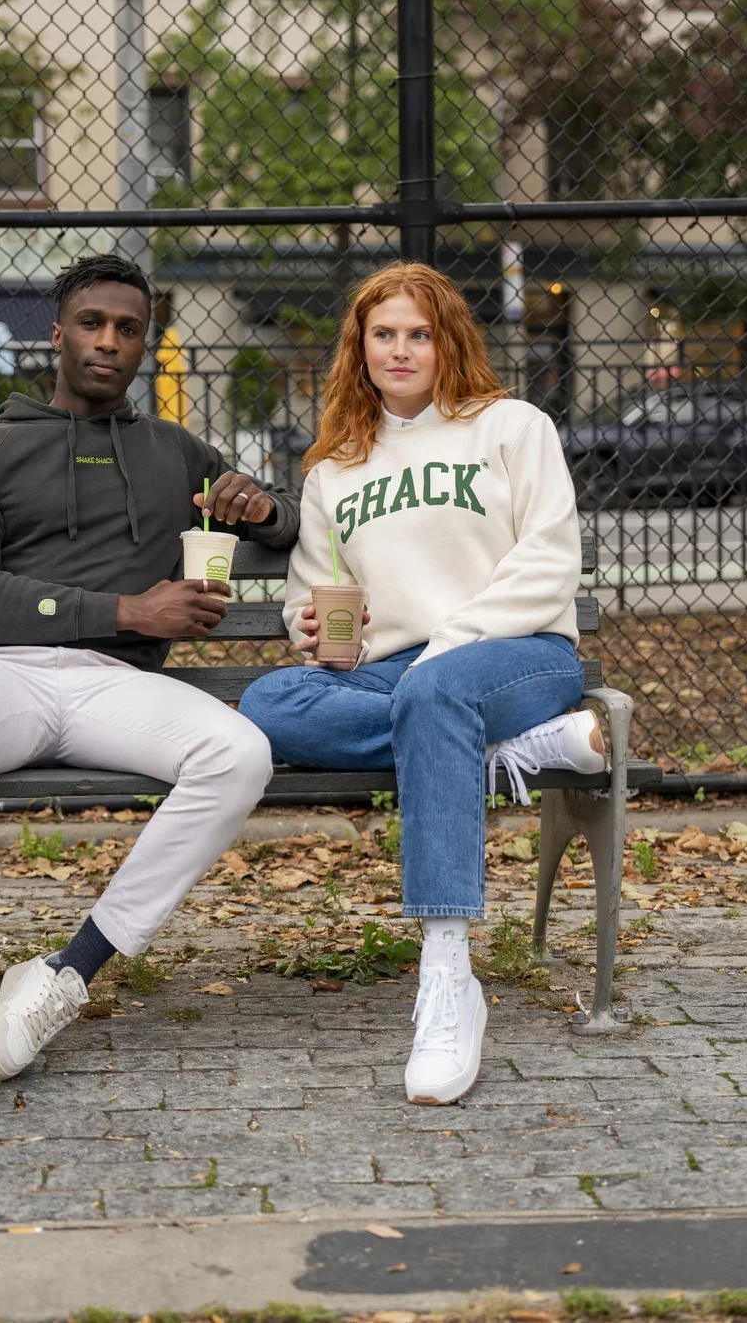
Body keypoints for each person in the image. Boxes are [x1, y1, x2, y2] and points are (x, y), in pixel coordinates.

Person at [0, 254, 299, 1176]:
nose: (109, 342)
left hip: (116, 687)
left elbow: (284, 523)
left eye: (128, 328)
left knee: (239, 752)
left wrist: (259, 506)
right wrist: (127, 611)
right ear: (56, 333)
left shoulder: (173, 450)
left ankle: (66, 975)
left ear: (146, 342)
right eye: (92, 323)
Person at [240, 262, 605, 1108]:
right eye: (383, 334)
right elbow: (311, 589)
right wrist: (306, 624)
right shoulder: (336, 467)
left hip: (518, 651)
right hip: (399, 673)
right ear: (358, 348)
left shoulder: (511, 426)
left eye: (419, 333)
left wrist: (447, 650)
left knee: (436, 696)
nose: (400, 350)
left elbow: (549, 562)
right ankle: (512, 753)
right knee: (267, 704)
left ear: (447, 343)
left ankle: (448, 974)